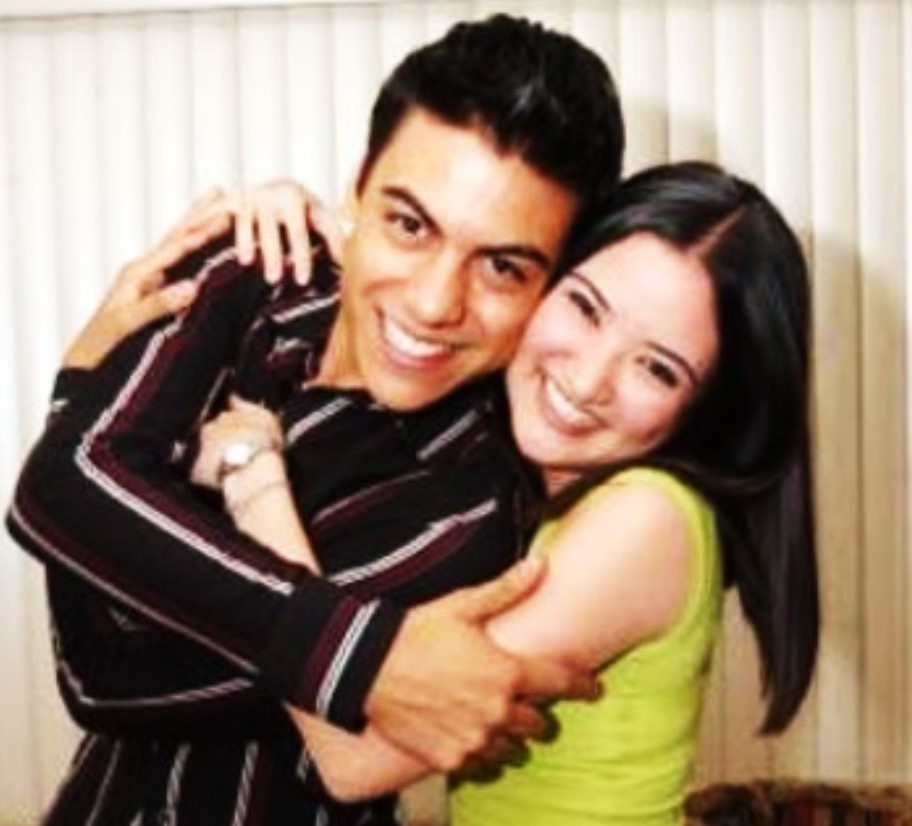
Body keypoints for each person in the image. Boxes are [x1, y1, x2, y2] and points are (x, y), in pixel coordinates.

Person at [6, 13, 625, 826]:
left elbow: (107, 675)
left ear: (555, 283)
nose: (434, 303)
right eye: (410, 224)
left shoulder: (468, 515)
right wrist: (358, 651)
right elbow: (62, 486)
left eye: (503, 266)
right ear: (358, 188)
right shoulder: (258, 267)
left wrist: (98, 410)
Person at [189, 161, 820, 824]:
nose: (588, 380)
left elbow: (355, 759)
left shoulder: (646, 518)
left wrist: (250, 473)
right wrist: (295, 229)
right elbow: (422, 309)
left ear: (707, 408)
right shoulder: (520, 475)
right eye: (584, 307)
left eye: (657, 369)